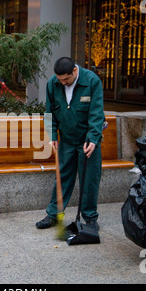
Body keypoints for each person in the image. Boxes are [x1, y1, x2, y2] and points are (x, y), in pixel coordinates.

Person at [36, 57, 105, 232]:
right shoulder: (53, 83)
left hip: (87, 140)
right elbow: (49, 111)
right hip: (66, 139)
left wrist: (94, 138)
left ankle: (89, 218)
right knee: (62, 178)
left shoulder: (92, 81)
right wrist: (52, 134)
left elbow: (96, 113)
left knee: (89, 180)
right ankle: (54, 214)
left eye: (66, 79)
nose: (63, 83)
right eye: (60, 80)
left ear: (75, 70)